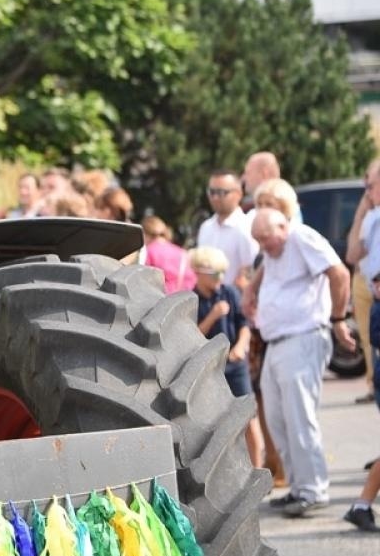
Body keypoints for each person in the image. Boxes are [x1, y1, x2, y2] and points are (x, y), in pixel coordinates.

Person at [251, 207, 353, 517]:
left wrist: (337, 318)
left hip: (304, 336)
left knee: (299, 417)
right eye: (260, 242)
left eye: (267, 239)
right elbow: (267, 272)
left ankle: (313, 489)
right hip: (278, 341)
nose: (265, 247)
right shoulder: (275, 248)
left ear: (283, 226)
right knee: (278, 418)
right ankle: (298, 487)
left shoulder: (301, 237)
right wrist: (251, 291)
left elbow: (339, 273)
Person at [192, 246, 264, 466]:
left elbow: (244, 324)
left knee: (250, 417)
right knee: (217, 423)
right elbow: (193, 336)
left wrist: (241, 346)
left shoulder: (230, 293)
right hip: (212, 368)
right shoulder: (192, 299)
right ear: (199, 273)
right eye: (215, 274)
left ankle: (258, 468)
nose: (220, 278)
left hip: (235, 365)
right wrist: (213, 316)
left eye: (223, 273)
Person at [345, 159, 380, 401]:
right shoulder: (372, 217)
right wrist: (360, 212)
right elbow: (352, 254)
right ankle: (373, 384)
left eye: (371, 185)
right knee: (370, 340)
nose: (366, 190)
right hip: (370, 285)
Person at [197, 170, 258, 290]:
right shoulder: (206, 227)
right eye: (211, 192)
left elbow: (250, 270)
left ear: (239, 193)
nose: (214, 197)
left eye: (221, 192)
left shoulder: (246, 227)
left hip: (235, 301)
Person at [140, 216, 194, 294]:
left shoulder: (148, 252)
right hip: (185, 299)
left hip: (161, 300)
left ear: (144, 234)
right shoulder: (182, 252)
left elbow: (143, 280)